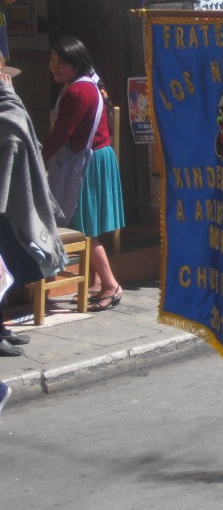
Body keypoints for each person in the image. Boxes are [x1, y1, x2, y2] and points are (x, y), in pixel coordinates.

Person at [42, 37, 124, 312]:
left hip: (86, 163)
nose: (54, 66)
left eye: (61, 63)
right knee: (86, 225)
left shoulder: (77, 92)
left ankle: (110, 285)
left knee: (84, 229)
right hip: (97, 157)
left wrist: (37, 160)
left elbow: (60, 134)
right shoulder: (87, 82)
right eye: (52, 60)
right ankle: (96, 282)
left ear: (75, 64)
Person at [0, 59, 67, 355]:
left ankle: (2, 327)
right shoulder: (7, 108)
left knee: (6, 271)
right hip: (3, 205)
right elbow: (14, 136)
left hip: (7, 205)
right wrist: (10, 96)